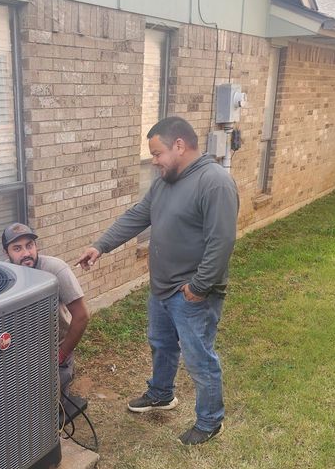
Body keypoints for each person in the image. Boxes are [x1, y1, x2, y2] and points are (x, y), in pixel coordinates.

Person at [77, 116, 239, 445]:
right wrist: (100, 245)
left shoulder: (215, 181)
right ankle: (162, 394)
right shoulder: (166, 180)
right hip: (162, 288)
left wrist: (198, 287)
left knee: (199, 358)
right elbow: (138, 215)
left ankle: (210, 421)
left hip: (192, 294)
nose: (154, 162)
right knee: (161, 345)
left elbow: (221, 242)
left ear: (179, 145)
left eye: (157, 153)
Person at [2, 223, 89, 419]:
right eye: (17, 248)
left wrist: (62, 353)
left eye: (30, 245)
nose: (26, 253)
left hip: (55, 350)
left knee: (50, 409)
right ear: (6, 252)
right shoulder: (6, 274)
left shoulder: (55, 269)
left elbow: (82, 316)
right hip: (23, 352)